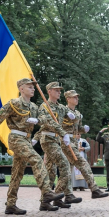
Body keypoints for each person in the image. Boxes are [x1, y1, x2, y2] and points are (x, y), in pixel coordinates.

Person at [0, 77, 65, 215]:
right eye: (29, 86)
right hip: (16, 138)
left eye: (33, 87)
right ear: (21, 89)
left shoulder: (34, 107)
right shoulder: (14, 103)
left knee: (17, 173)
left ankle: (11, 204)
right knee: (36, 160)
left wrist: (38, 120)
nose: (33, 89)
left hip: (26, 139)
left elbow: (47, 119)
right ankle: (47, 192)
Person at [33, 81, 85, 209]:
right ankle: (57, 194)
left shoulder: (61, 107)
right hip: (48, 139)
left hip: (57, 141)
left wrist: (74, 117)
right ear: (49, 91)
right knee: (65, 165)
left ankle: (45, 202)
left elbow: (70, 115)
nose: (59, 92)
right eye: (56, 90)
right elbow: (47, 122)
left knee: (50, 172)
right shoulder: (44, 106)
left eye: (60, 90)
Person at [61, 89, 108, 198]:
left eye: (77, 97)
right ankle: (94, 189)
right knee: (83, 163)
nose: (76, 99)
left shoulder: (77, 113)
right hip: (65, 141)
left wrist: (84, 129)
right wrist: (63, 135)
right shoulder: (62, 110)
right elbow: (57, 125)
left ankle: (59, 195)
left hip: (74, 141)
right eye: (74, 97)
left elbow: (78, 129)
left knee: (66, 171)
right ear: (68, 99)